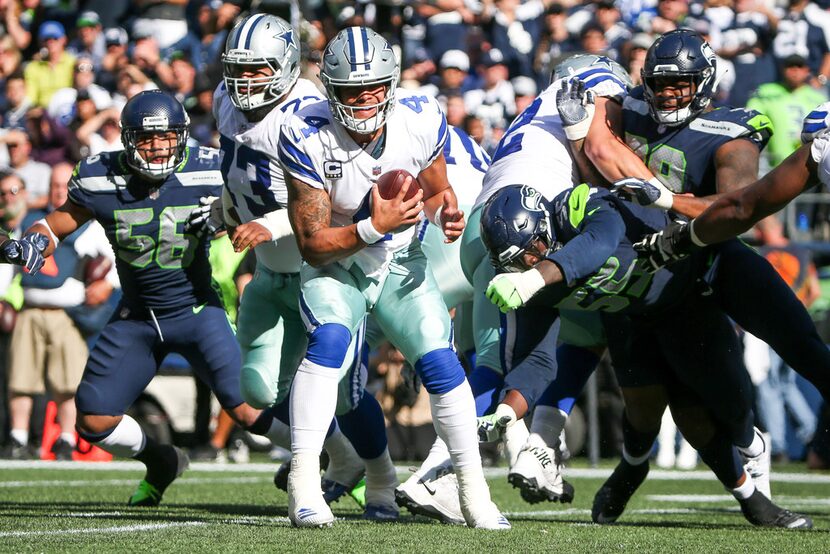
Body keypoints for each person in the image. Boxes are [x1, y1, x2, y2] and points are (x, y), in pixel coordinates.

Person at [277, 26, 508, 530]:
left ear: (392, 83)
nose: (364, 100)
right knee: (331, 342)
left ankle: (473, 489)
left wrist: (446, 204)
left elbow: (436, 178)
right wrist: (370, 226)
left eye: (374, 87)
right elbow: (313, 245)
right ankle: (303, 484)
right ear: (330, 91)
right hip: (337, 265)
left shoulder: (420, 116)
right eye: (351, 91)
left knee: (441, 361)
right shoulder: (304, 132)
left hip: (401, 262)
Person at [479, 182, 812, 529]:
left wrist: (535, 277)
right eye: (518, 263)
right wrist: (507, 411)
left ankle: (751, 453)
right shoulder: (530, 280)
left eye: (529, 253)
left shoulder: (579, 206)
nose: (528, 264)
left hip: (682, 295)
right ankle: (746, 499)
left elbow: (600, 243)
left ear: (541, 224)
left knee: (716, 408)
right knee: (643, 413)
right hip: (629, 318)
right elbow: (537, 361)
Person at [0, 90, 276, 506]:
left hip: (197, 310)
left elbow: (262, 206)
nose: (159, 147)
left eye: (167, 137)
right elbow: (55, 225)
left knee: (247, 410)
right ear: (128, 140)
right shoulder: (100, 176)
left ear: (181, 136)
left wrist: (231, 218)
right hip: (137, 316)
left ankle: (336, 455)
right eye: (147, 138)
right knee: (92, 418)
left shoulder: (208, 168)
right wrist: (33, 244)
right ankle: (160, 459)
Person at [212, 13, 379, 510]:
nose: (244, 82)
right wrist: (226, 208)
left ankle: (380, 475)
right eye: (238, 70)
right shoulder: (225, 102)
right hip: (268, 270)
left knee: (344, 390)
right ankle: (340, 455)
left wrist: (273, 223)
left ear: (285, 66)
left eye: (258, 70)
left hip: (319, 268)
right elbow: (236, 169)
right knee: (259, 388)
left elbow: (332, 201)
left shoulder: (308, 112)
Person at [7, 163, 117, 461]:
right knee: (21, 379)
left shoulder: (87, 223)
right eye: (54, 184)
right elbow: (13, 261)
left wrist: (107, 284)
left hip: (66, 314)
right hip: (30, 310)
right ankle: (18, 438)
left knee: (68, 382)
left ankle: (67, 440)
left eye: (63, 184)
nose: (58, 189)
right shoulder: (32, 220)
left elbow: (118, 257)